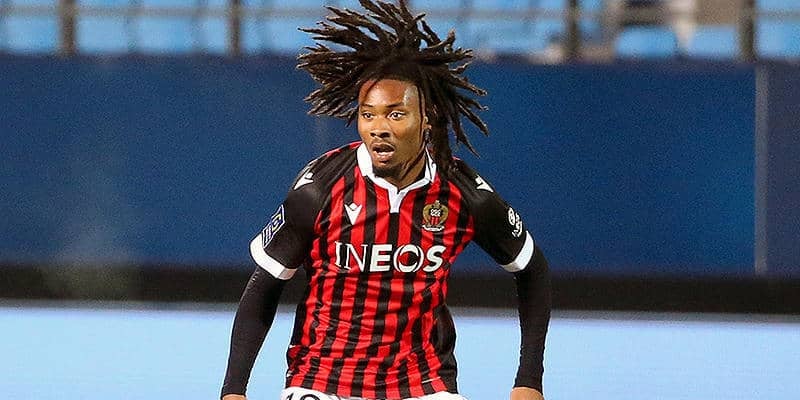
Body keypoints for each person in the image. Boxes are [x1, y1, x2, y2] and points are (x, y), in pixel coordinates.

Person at [220, 1, 551, 399]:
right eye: (368, 114)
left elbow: (531, 269)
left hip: (423, 383)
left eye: (395, 114)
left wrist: (529, 380)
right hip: (323, 381)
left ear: (426, 117)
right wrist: (233, 390)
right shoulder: (319, 189)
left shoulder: (463, 194)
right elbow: (265, 287)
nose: (378, 128)